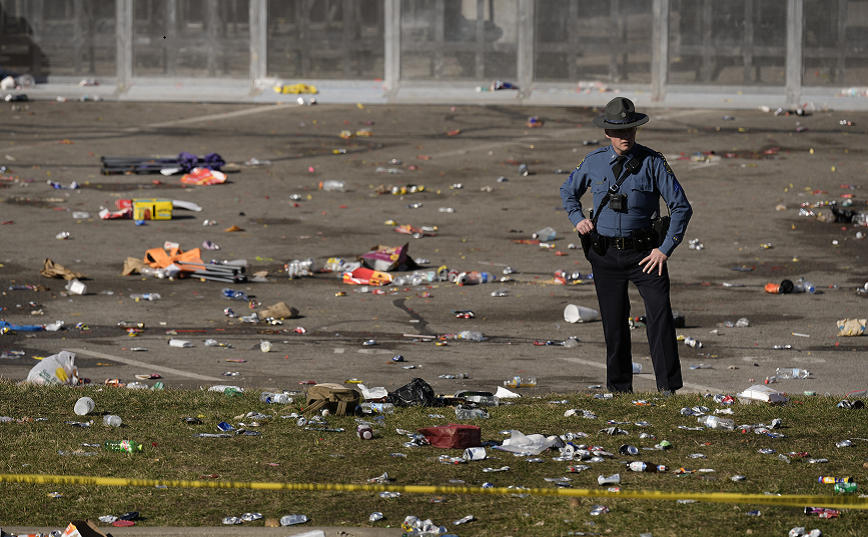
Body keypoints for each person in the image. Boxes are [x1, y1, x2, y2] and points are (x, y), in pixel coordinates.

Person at [560, 97, 693, 395]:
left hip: (646, 255)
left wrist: (665, 249)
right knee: (614, 325)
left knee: (660, 319)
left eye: (630, 130)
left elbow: (681, 208)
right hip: (604, 255)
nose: (625, 136)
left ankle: (668, 388)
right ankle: (619, 390)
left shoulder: (653, 162)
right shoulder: (593, 162)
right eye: (618, 131)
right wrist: (576, 218)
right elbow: (568, 191)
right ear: (607, 132)